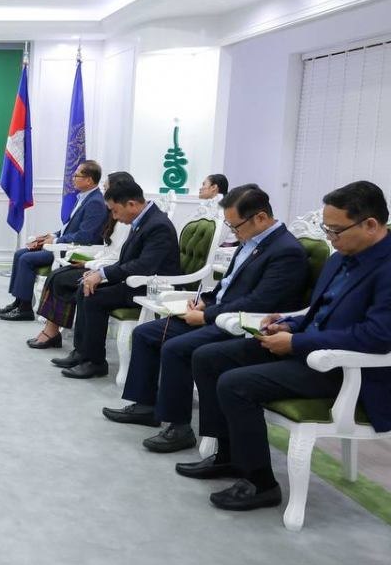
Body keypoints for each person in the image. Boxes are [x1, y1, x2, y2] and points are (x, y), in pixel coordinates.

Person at [183, 181, 391, 512]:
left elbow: (376, 336)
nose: (330, 238)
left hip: (351, 370)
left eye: (335, 231)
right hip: (313, 350)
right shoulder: (342, 257)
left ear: (370, 224)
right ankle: (228, 455)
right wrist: (289, 324)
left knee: (235, 384)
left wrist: (296, 342)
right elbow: (322, 312)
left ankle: (260, 483)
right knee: (207, 358)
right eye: (326, 229)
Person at [102, 185, 309, 451]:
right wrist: (206, 301)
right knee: (145, 333)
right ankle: (146, 406)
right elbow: (229, 286)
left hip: (244, 323)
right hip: (220, 312)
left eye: (235, 226)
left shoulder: (285, 251)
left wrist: (207, 315)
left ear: (260, 217)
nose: (233, 232)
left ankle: (179, 427)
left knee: (176, 348)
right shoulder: (252, 241)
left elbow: (260, 302)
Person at [50, 179, 182, 379]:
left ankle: (95, 362)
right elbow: (126, 260)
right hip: (136, 280)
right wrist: (98, 273)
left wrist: (103, 274)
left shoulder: (158, 226)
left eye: (115, 211)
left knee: (94, 298)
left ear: (131, 204)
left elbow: (143, 266)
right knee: (84, 287)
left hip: (152, 287)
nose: (114, 216)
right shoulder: (143, 220)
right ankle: (82, 352)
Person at [27, 171, 136, 350]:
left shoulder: (124, 221)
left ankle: (52, 332)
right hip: (100, 263)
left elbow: (116, 257)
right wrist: (88, 262)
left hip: (108, 270)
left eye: (106, 189)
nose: (103, 193)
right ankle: (52, 330)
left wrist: (89, 264)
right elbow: (107, 250)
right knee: (57, 275)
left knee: (61, 279)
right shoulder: (114, 215)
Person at [0, 160, 109, 321]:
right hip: (63, 243)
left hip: (72, 251)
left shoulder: (95, 203)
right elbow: (69, 228)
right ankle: (18, 302)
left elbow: (84, 236)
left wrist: (55, 241)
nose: (73, 178)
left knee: (26, 259)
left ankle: (25, 309)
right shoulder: (83, 197)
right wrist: (48, 237)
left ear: (89, 180)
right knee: (20, 253)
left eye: (76, 175)